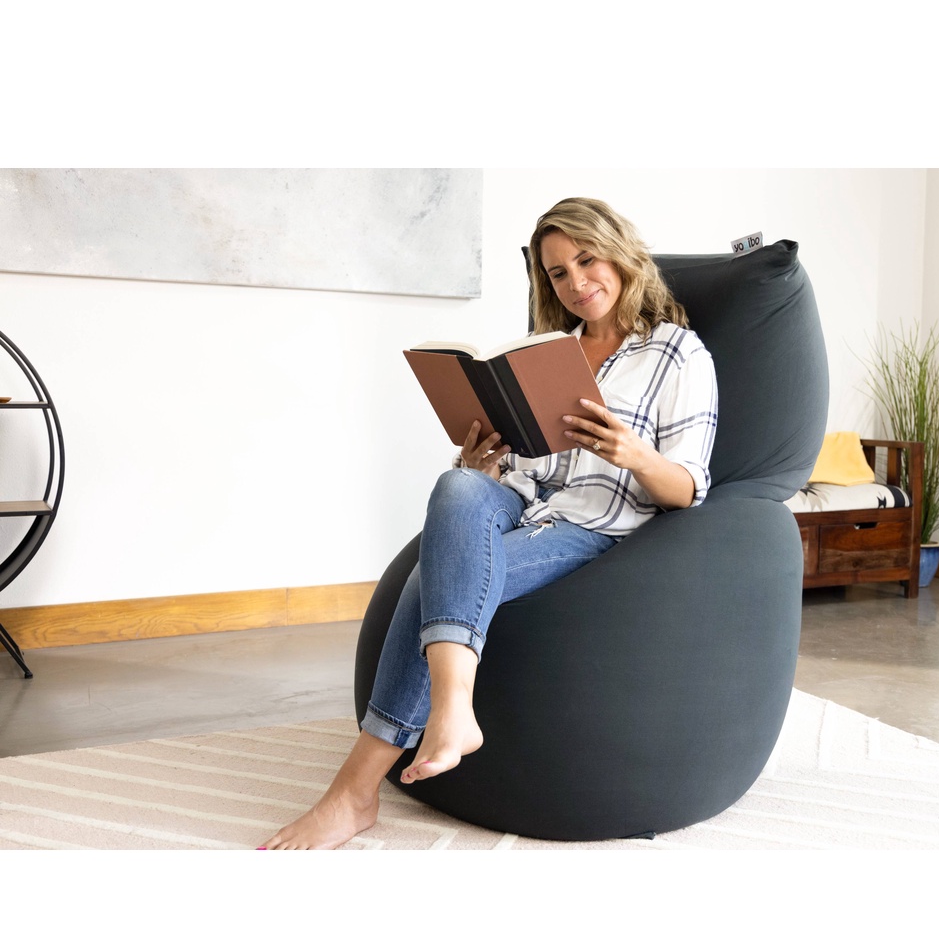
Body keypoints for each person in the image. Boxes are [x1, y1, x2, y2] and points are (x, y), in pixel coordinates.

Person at [259, 197, 719, 849]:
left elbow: (688, 489)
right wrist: (484, 462)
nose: (576, 282)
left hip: (593, 525)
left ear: (619, 254)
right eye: (557, 273)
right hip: (523, 501)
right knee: (457, 483)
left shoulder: (676, 353)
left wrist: (632, 453)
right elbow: (524, 465)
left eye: (587, 260)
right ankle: (451, 714)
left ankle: (356, 791)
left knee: (431, 580)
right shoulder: (554, 351)